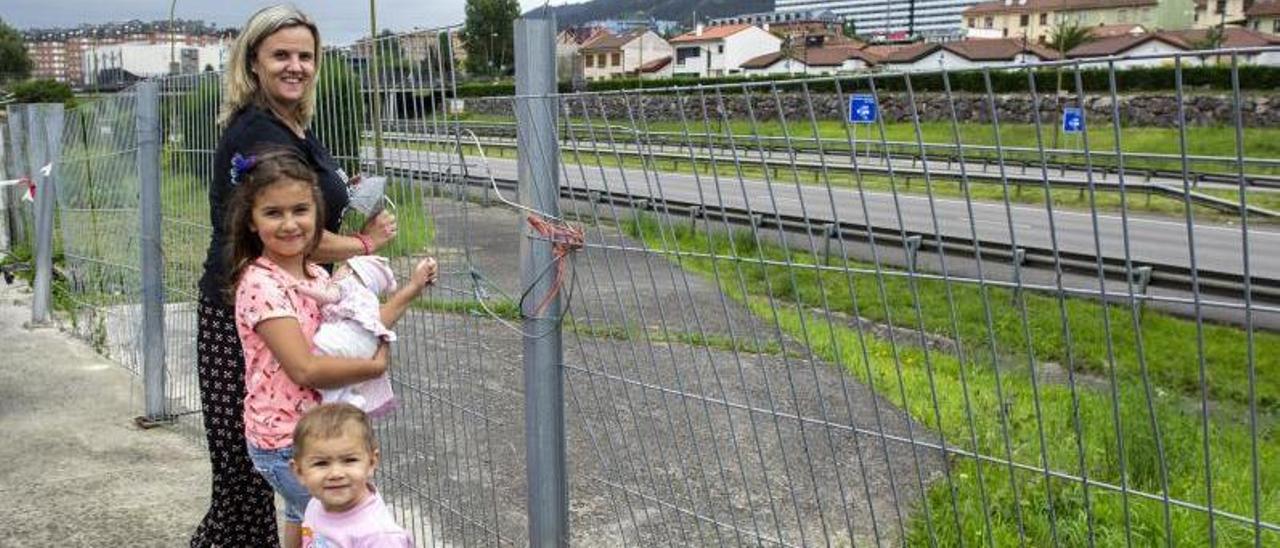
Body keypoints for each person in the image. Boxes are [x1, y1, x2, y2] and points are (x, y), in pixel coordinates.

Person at [192, 5, 397, 547]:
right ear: (253, 61)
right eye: (281, 54)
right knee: (250, 476)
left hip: (297, 303)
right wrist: (365, 244)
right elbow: (289, 229)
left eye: (305, 56)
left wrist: (337, 192)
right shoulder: (258, 132)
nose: (296, 66)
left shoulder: (288, 125)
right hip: (256, 314)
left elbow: (307, 206)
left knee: (294, 473)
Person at [225, 147, 435, 548]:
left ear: (317, 214)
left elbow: (359, 331)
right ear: (251, 221)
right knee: (338, 531)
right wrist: (373, 369)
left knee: (303, 520)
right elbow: (304, 369)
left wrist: (409, 290)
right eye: (273, 213)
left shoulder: (316, 273)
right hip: (289, 440)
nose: (289, 224)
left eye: (300, 210)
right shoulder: (261, 284)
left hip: (314, 434)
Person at [293, 254, 433, 417]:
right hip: (367, 345)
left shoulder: (344, 285)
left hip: (341, 342)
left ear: (352, 274)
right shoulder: (369, 299)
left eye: (343, 269)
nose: (338, 272)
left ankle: (320, 405)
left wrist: (302, 289)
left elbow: (327, 297)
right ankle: (351, 402)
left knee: (319, 363)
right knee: (341, 382)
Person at [292, 403, 414, 547]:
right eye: (321, 463)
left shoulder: (380, 537)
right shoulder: (316, 504)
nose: (336, 474)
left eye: (349, 460)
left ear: (371, 463)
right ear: (299, 472)